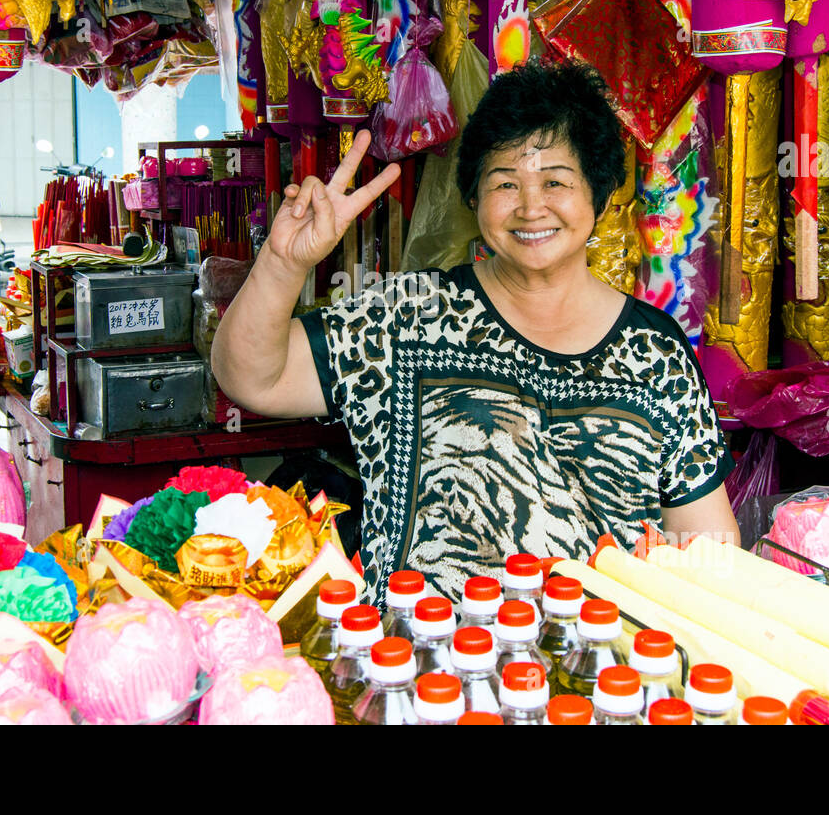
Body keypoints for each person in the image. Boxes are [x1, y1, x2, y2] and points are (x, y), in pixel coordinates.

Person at [212, 59, 738, 603]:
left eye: (555, 181)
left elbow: (709, 552)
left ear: (599, 195)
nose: (532, 207)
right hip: (415, 668)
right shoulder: (405, 316)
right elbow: (252, 379)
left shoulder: (656, 352)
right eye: (505, 182)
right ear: (473, 197)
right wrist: (281, 263)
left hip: (602, 674)